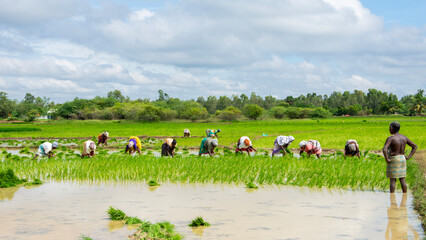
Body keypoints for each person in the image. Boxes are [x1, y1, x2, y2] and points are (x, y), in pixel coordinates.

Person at [383, 122, 417, 193]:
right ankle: (405, 195)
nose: (389, 129)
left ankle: (392, 198)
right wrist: (408, 157)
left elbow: (384, 149)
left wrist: (387, 159)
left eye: (390, 128)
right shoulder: (404, 137)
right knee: (402, 179)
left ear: (392, 128)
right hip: (402, 158)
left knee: (393, 180)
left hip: (394, 159)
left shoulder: (391, 138)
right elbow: (415, 146)